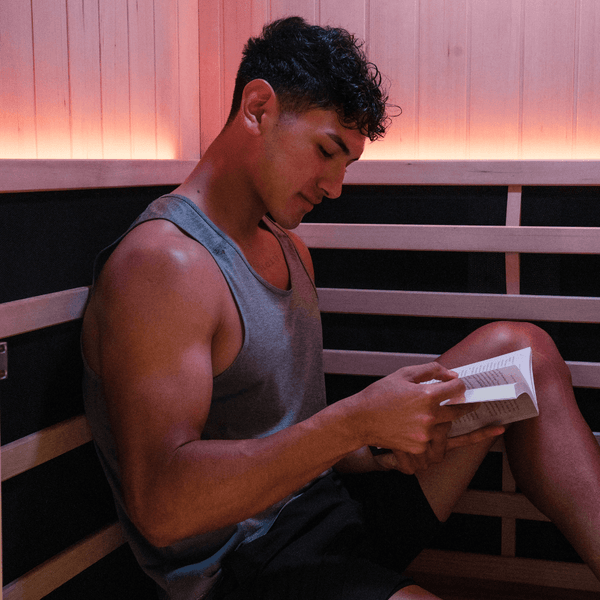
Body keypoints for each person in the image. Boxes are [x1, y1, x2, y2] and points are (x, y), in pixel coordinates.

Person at [81, 16, 600, 600]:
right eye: (326, 151)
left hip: (327, 504)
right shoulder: (163, 264)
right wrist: (356, 421)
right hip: (247, 565)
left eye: (346, 164)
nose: (334, 187)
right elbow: (161, 509)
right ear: (257, 108)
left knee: (524, 353)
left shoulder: (288, 247)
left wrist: (378, 447)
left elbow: (288, 433)